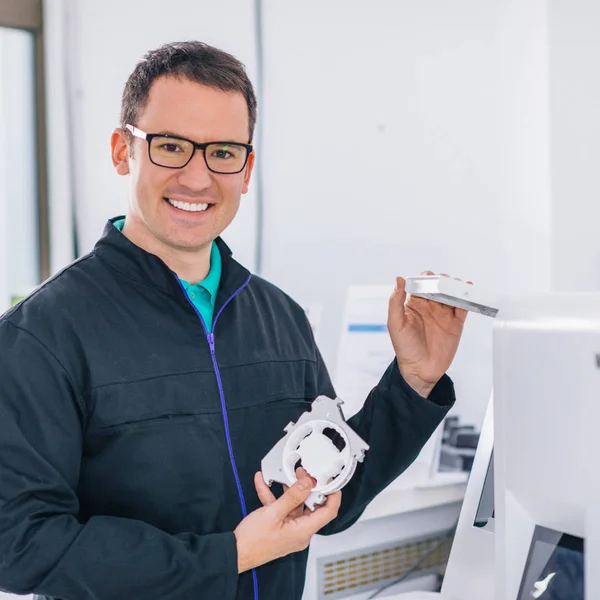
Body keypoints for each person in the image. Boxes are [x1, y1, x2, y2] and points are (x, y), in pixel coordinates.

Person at [0, 41, 468, 600]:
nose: (198, 179)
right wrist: (232, 555)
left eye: (222, 152)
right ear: (123, 151)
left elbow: (323, 500)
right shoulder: (43, 334)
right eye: (171, 146)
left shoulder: (281, 318)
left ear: (246, 170)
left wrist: (413, 382)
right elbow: (20, 545)